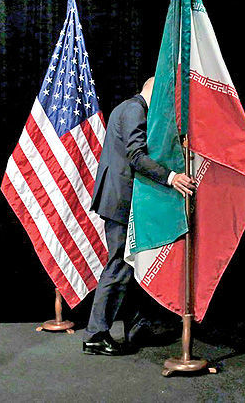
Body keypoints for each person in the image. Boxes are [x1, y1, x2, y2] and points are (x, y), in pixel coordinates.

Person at [82, 77, 195, 356]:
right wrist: (171, 177)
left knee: (128, 265)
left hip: (119, 197)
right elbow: (136, 156)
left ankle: (134, 326)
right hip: (121, 199)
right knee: (119, 265)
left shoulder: (125, 108)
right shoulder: (135, 110)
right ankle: (95, 335)